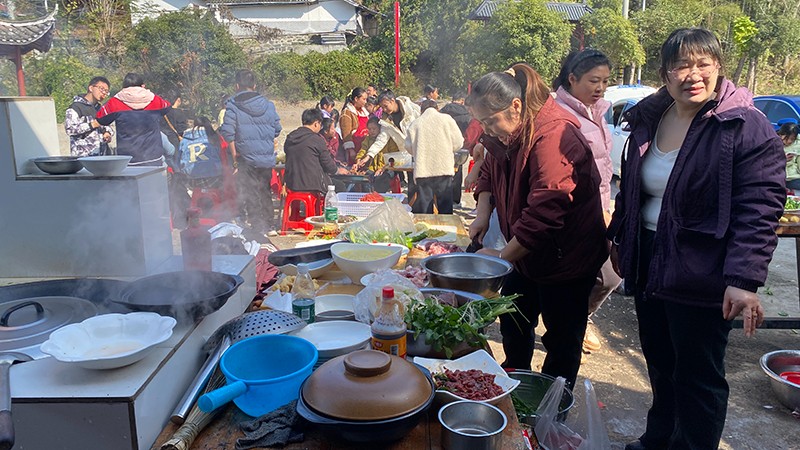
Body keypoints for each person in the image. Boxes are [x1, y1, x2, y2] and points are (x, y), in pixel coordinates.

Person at [607, 28, 785, 450]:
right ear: (665, 74)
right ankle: (659, 439)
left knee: (698, 375)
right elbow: (632, 190)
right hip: (650, 258)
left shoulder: (742, 125)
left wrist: (743, 279)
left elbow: (760, 205)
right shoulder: (652, 117)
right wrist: (621, 241)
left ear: (718, 67)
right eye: (681, 66)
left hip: (704, 266)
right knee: (660, 360)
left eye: (703, 64)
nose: (693, 74)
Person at [467, 63, 607, 389]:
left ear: (515, 105)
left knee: (561, 339)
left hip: (566, 258)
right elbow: (489, 166)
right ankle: (514, 385)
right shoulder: (508, 130)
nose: (488, 130)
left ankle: (553, 406)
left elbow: (545, 212)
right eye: (482, 122)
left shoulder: (553, 134)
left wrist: (500, 259)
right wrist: (483, 212)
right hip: (527, 252)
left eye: (490, 121)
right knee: (514, 321)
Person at [553, 49, 622, 352]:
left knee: (611, 275)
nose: (600, 88)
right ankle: (569, 328)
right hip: (575, 214)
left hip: (600, 210)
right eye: (594, 81)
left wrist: (607, 207)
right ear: (572, 78)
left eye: (605, 82)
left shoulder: (598, 112)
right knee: (595, 276)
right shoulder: (560, 115)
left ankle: (578, 319)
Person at [219, 69, 282, 236]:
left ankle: (257, 227)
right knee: (265, 190)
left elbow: (228, 133)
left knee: (249, 191)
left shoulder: (232, 105)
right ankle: (269, 225)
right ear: (254, 85)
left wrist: (234, 157)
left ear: (237, 86)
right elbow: (277, 128)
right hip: (266, 157)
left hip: (245, 157)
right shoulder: (269, 105)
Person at [94, 73, 172, 166]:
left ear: (123, 87)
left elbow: (100, 118)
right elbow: (167, 107)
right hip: (153, 159)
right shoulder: (155, 100)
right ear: (143, 86)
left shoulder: (115, 102)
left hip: (127, 160)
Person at [405, 100, 462, 214]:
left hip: (423, 170)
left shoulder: (415, 123)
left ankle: (426, 224)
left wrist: (419, 152)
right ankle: (446, 224)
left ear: (421, 111)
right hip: (443, 169)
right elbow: (458, 143)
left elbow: (409, 147)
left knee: (425, 207)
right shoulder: (447, 119)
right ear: (437, 109)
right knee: (445, 206)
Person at [284, 109, 348, 197]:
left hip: (292, 183)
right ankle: (327, 206)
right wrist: (337, 170)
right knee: (340, 186)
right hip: (312, 184)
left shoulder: (290, 138)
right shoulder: (316, 139)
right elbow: (327, 164)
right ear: (316, 123)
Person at [356, 90, 421, 169]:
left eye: (386, 106)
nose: (384, 110)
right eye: (382, 107)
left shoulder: (411, 109)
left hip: (419, 150)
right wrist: (369, 155)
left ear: (392, 101)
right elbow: (381, 139)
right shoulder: (386, 120)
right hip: (404, 154)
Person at [65, 76, 114, 157]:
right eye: (101, 89)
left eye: (106, 91)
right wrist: (91, 125)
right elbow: (70, 129)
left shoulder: (101, 108)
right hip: (83, 157)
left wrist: (107, 132)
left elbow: (108, 126)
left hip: (101, 157)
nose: (104, 93)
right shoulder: (76, 107)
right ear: (91, 88)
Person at [440, 91, 471, 206]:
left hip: (443, 145)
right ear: (462, 101)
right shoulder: (466, 113)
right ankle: (455, 200)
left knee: (443, 173)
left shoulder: (442, 112)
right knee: (457, 172)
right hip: (459, 146)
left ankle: (443, 198)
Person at [179, 116, 225, 190]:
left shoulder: (184, 140)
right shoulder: (213, 137)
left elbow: (179, 160)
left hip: (191, 181)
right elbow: (222, 156)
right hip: (213, 178)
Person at [356, 116, 399, 192]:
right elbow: (363, 149)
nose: (371, 131)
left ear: (380, 128)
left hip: (388, 168)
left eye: (374, 129)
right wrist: (359, 160)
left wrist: (383, 168)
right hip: (372, 168)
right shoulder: (368, 139)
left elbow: (394, 156)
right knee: (366, 179)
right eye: (369, 129)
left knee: (382, 179)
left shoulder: (389, 140)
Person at [340, 87, 370, 164]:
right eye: (364, 99)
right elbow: (346, 133)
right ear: (356, 99)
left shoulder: (364, 112)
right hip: (355, 148)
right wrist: (350, 149)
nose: (365, 102)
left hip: (365, 147)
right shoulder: (347, 113)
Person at [777, 121, 800, 190]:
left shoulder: (797, 145)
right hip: (780, 177)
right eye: (787, 138)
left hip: (794, 176)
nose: (789, 141)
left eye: (792, 139)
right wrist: (783, 159)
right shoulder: (773, 144)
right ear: (781, 134)